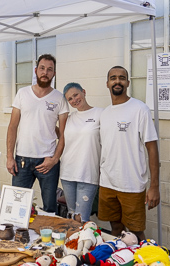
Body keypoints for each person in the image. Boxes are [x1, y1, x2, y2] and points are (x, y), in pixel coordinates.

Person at [98, 66, 160, 241]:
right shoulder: (105, 114)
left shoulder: (140, 109)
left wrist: (154, 186)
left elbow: (152, 148)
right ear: (107, 83)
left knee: (136, 233)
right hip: (108, 182)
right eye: (113, 78)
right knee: (115, 228)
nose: (117, 81)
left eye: (121, 78)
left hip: (132, 184)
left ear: (128, 82)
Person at [6, 54, 69, 213]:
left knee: (49, 208)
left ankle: (48, 237)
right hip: (22, 160)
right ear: (36, 70)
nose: (45, 72)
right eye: (42, 68)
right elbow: (12, 126)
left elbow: (63, 134)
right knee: (17, 206)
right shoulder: (22, 93)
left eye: (49, 69)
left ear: (54, 73)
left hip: (47, 161)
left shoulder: (59, 98)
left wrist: (54, 159)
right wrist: (9, 156)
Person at [60, 82, 103, 223]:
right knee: (72, 216)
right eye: (70, 99)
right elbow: (61, 138)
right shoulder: (69, 118)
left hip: (88, 173)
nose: (74, 100)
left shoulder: (100, 114)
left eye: (76, 95)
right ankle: (72, 244)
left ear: (83, 92)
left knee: (82, 218)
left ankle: (84, 243)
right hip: (67, 173)